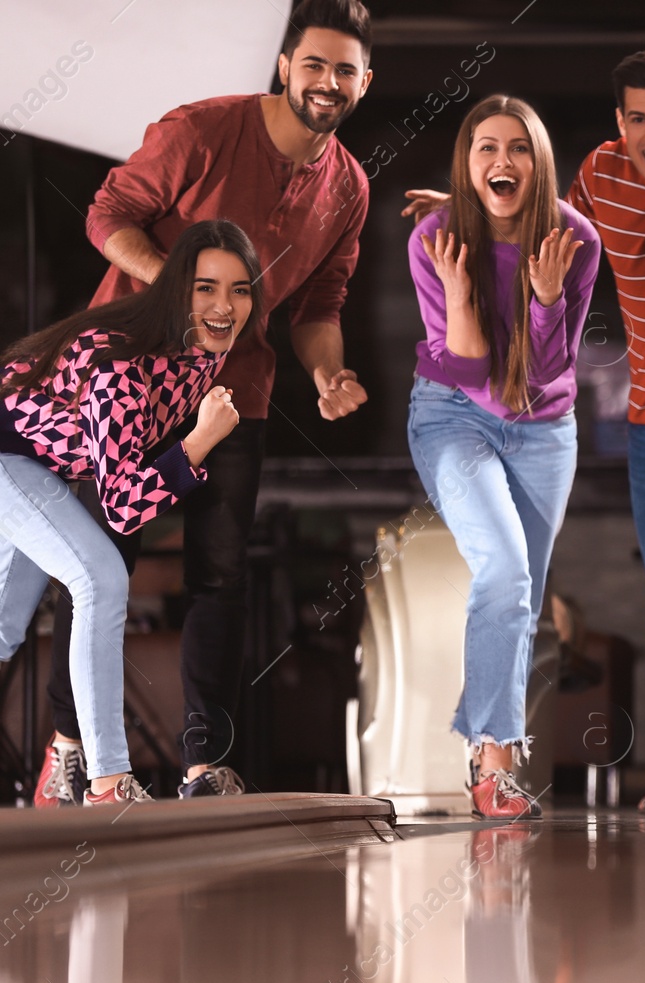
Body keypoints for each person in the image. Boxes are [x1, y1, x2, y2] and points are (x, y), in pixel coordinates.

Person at [405, 50, 645, 815]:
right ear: (621, 123)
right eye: (639, 118)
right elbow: (534, 206)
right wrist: (466, 205)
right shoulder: (602, 176)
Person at [33, 0, 374, 807]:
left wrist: (328, 373)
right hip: (133, 380)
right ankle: (68, 748)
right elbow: (108, 215)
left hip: (236, 393)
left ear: (366, 81)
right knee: (100, 566)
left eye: (346, 71)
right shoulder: (201, 130)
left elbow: (320, 305)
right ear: (286, 65)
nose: (328, 83)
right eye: (315, 64)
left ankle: (201, 767)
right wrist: (184, 299)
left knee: (220, 576)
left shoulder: (349, 186)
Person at [1, 221, 256, 805]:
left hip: (37, 466)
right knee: (100, 577)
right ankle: (109, 782)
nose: (224, 306)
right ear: (174, 289)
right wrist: (199, 442)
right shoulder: (123, 365)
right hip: (8, 458)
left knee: (4, 627)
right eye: (206, 288)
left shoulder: (198, 352)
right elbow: (121, 507)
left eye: (240, 290)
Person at [407, 96, 601, 820]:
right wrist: (461, 292)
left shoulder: (575, 237)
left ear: (538, 161)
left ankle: (487, 744)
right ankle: (495, 762)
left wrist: (546, 296)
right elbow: (464, 372)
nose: (501, 161)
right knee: (506, 570)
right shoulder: (433, 237)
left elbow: (549, 370)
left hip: (544, 428)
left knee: (522, 597)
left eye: (518, 147)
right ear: (467, 162)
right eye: (485, 147)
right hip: (453, 416)